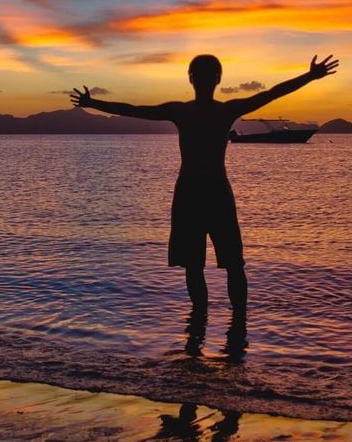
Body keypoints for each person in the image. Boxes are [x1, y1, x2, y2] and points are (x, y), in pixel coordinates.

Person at [70, 54, 338, 322]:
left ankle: (202, 327)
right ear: (217, 79)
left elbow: (134, 109)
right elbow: (271, 93)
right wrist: (310, 76)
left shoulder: (184, 111)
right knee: (226, 264)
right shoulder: (221, 111)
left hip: (192, 191)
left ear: (191, 78)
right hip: (213, 191)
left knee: (201, 266)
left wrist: (93, 102)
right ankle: (234, 328)